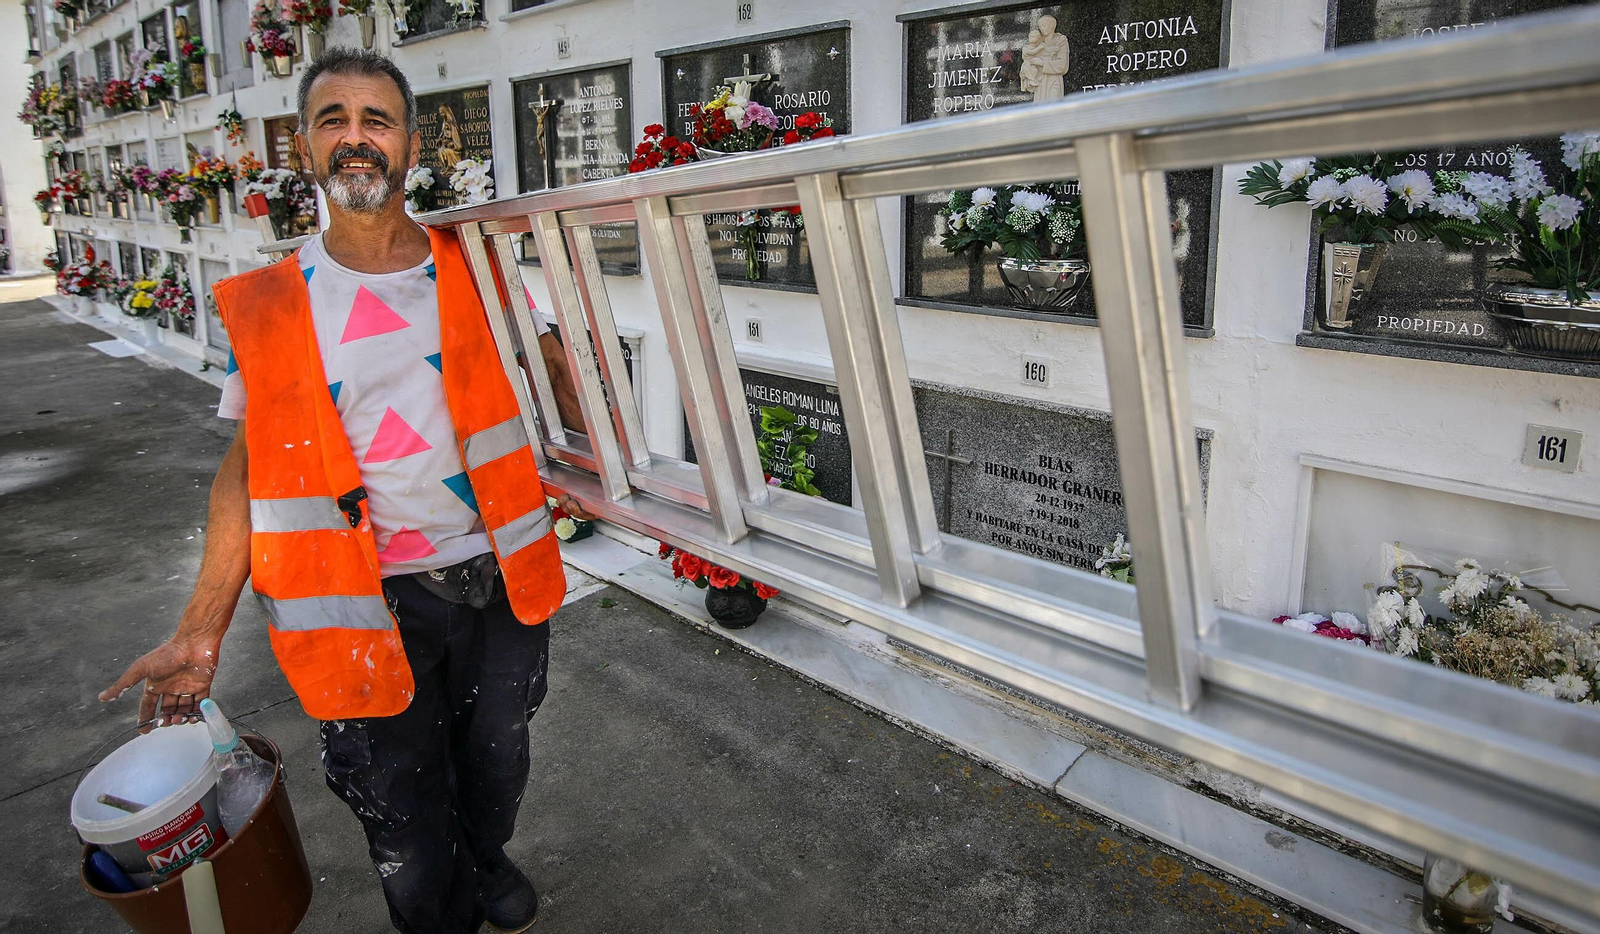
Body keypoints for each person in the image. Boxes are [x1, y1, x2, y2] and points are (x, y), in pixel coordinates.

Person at [99, 47, 591, 934]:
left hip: (500, 580)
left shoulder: (477, 268)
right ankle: (433, 913)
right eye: (334, 121)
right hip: (362, 603)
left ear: (408, 143)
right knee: (396, 796)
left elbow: (564, 377)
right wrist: (200, 629)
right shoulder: (273, 302)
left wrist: (629, 467)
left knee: (498, 760)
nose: (356, 139)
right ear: (303, 147)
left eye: (377, 120)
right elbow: (248, 470)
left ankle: (486, 856)